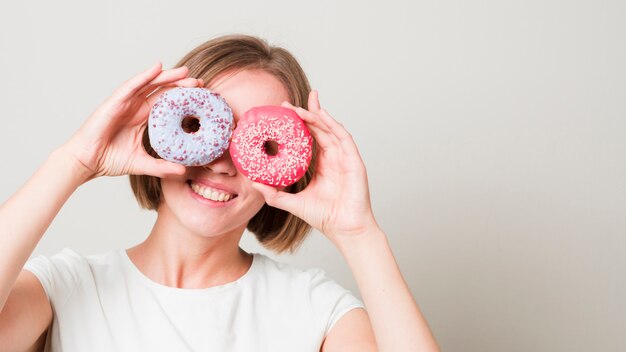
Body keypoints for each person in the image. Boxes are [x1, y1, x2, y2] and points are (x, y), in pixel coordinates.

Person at [0, 34, 439, 351]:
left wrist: (359, 233)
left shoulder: (315, 311)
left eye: (255, 141)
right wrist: (73, 162)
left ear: (288, 169)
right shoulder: (67, 287)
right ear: (163, 131)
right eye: (207, 127)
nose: (223, 162)